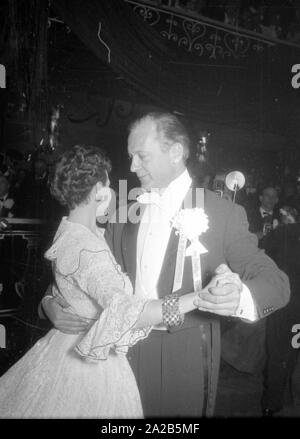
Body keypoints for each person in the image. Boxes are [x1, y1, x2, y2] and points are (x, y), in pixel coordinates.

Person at [42, 112, 290, 418]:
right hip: (120, 351)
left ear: (175, 152)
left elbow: (275, 282)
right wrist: (49, 302)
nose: (132, 167)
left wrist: (239, 297)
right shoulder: (123, 213)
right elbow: (85, 271)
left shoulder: (224, 213)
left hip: (184, 351)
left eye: (141, 156)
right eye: (130, 157)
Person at [0, 144, 212, 418]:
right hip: (90, 367)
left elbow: (73, 282)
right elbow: (125, 311)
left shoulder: (75, 232)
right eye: (109, 185)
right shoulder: (86, 248)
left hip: (67, 349)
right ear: (99, 188)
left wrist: (51, 299)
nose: (113, 193)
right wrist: (197, 297)